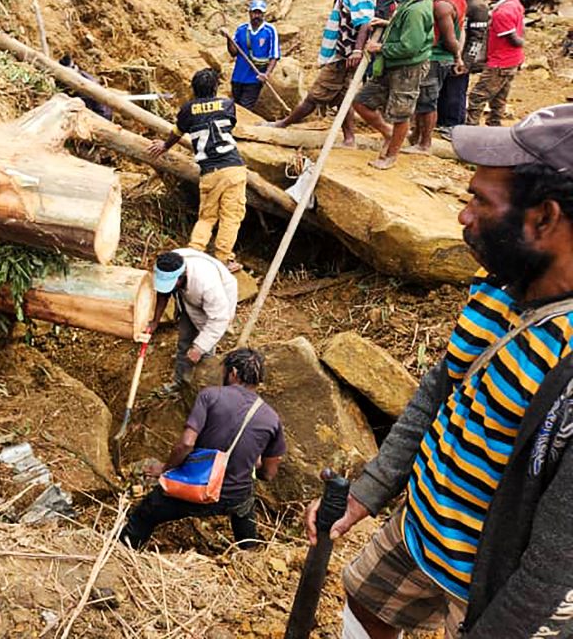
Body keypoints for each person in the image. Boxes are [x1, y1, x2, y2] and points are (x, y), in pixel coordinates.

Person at [306, 105, 573, 638]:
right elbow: (441, 387)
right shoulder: (498, 283)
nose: (463, 216)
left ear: (543, 218)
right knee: (365, 605)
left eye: (480, 201)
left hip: (496, 577)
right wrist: (371, 489)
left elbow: (556, 552)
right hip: (424, 526)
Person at [119, 348, 285, 550]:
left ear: (233, 372)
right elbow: (268, 473)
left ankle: (123, 551)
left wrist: (165, 469)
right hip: (234, 496)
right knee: (245, 508)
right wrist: (248, 464)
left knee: (144, 514)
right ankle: (250, 553)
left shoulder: (210, 396)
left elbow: (186, 444)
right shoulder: (271, 417)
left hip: (194, 489)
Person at [148, 70, 247, 272]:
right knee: (231, 216)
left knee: (207, 217)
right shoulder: (227, 105)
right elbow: (230, 124)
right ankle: (223, 259)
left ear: (193, 89)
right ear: (215, 88)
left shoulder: (187, 109)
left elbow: (177, 132)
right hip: (232, 167)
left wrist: (165, 146)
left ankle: (194, 253)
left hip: (208, 171)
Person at [268, 0, 375, 130]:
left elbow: (365, 22)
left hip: (342, 55)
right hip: (342, 53)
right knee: (342, 96)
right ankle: (349, 138)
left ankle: (283, 124)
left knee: (314, 96)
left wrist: (356, 51)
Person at [347, 0, 436, 168]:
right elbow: (406, 31)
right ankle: (387, 133)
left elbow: (410, 46)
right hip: (391, 65)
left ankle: (391, 156)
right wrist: (388, 23)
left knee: (401, 112)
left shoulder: (416, 9)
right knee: (361, 101)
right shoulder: (413, 0)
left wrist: (380, 47)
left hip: (406, 68)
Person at [145, 250, 238, 386]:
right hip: (190, 300)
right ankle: (179, 382)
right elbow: (163, 293)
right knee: (185, 340)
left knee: (204, 350)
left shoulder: (208, 285)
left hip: (216, 306)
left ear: (181, 277)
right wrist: (155, 321)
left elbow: (218, 319)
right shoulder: (169, 263)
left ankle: (202, 389)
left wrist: (199, 348)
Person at [409, 0, 465, 154]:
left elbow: (449, 38)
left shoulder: (442, 5)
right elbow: (461, 30)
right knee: (424, 100)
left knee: (427, 101)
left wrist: (456, 55)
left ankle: (424, 144)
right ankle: (416, 136)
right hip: (442, 57)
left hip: (436, 57)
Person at [466, 0, 524, 126]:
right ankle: (494, 125)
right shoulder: (514, 4)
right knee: (498, 98)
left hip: (500, 62)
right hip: (512, 61)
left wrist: (520, 41)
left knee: (477, 96)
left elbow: (514, 39)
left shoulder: (502, 13)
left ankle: (471, 129)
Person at [437, 0, 487, 134]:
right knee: (445, 91)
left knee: (456, 93)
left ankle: (454, 125)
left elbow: (477, 39)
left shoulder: (477, 7)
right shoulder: (458, 1)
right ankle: (442, 122)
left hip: (463, 57)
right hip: (451, 54)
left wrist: (466, 62)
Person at [226, 0, 280, 113]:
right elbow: (233, 52)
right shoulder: (241, 29)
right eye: (254, 13)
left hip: (255, 78)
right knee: (235, 107)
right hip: (238, 77)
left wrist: (266, 74)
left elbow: (274, 55)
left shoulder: (270, 30)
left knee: (245, 108)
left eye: (260, 13)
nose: (257, 16)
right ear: (249, 13)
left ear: (264, 14)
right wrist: (228, 38)